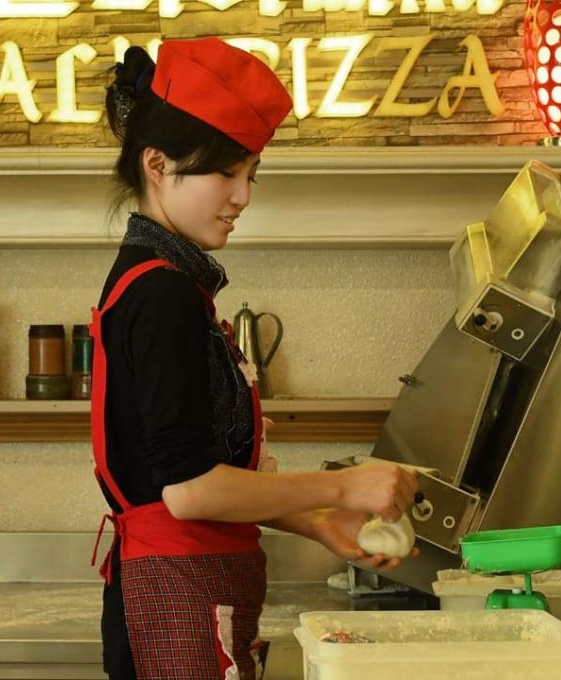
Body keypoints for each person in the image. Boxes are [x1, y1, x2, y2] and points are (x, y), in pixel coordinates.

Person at [92, 37, 419, 679]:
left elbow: (191, 481)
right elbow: (188, 490)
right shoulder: (160, 293)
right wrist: (345, 483)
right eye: (226, 173)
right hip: (172, 598)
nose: (243, 196)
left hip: (185, 587)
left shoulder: (169, 283)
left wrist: (319, 520)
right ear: (157, 164)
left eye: (251, 175)